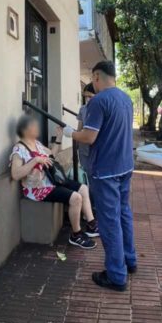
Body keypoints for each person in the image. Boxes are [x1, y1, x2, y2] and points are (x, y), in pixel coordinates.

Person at [63, 61, 137, 291]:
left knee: (109, 221)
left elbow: (89, 137)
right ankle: (129, 260)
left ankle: (116, 275)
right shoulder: (126, 99)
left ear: (96, 76)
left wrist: (70, 133)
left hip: (105, 171)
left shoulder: (98, 101)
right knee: (124, 213)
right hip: (125, 166)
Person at [10, 114, 98, 249]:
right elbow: (15, 174)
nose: (37, 127)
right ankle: (76, 235)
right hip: (38, 189)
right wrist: (35, 160)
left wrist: (59, 137)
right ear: (25, 129)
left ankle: (91, 225)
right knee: (76, 198)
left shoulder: (37, 144)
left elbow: (52, 154)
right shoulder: (19, 149)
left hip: (51, 181)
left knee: (83, 188)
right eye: (33, 125)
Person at [76, 82, 96, 179]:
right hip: (83, 146)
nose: (87, 99)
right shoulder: (82, 109)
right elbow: (79, 127)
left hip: (96, 146)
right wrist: (76, 141)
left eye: (90, 96)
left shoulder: (100, 109)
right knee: (85, 171)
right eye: (85, 96)